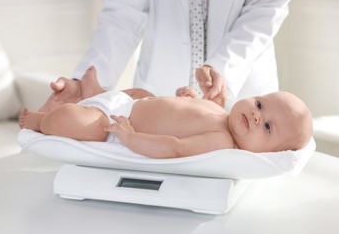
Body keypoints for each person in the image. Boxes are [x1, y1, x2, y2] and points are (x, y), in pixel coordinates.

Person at [40, 0, 293, 113]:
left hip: (244, 91)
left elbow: (268, 3)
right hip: (159, 92)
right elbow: (123, 13)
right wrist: (86, 83)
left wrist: (224, 69)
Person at [20, 66, 313, 159]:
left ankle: (42, 121)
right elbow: (184, 113)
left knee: (74, 123)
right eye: (260, 104)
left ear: (269, 153)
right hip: (132, 103)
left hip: (114, 124)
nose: (258, 115)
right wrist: (186, 98)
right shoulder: (221, 113)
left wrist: (132, 138)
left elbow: (175, 147)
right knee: (144, 93)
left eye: (268, 128)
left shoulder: (222, 141)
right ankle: (97, 94)